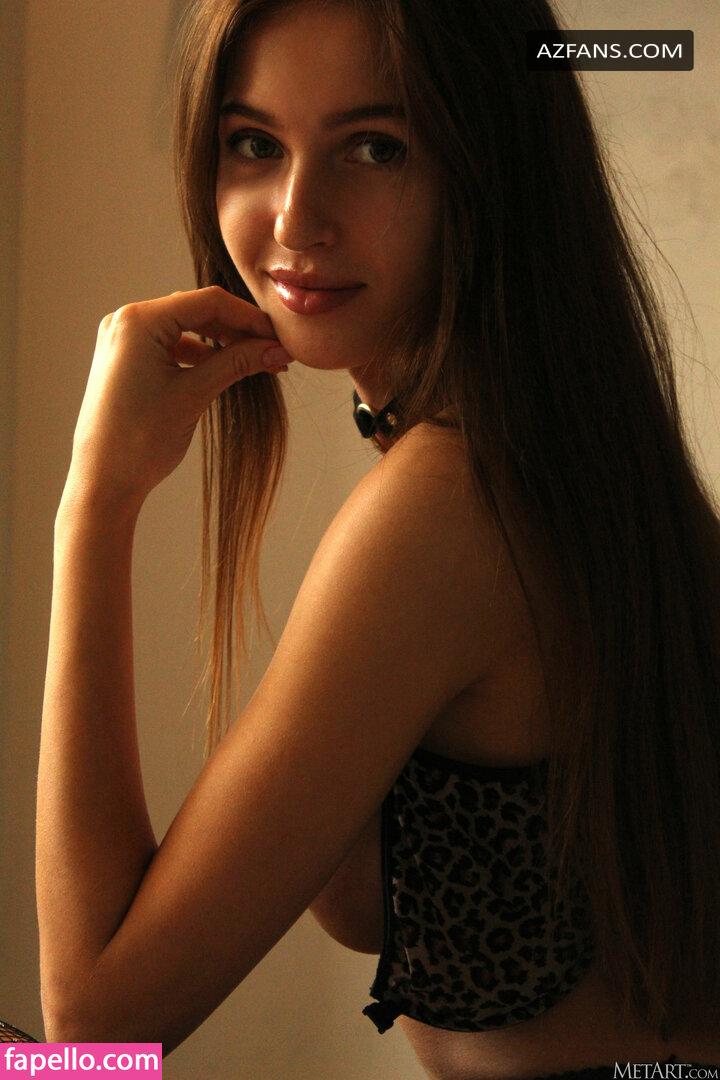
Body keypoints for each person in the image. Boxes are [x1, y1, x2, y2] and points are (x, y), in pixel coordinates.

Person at [35, 0, 720, 1077]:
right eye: (254, 143)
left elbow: (93, 1038)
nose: (295, 219)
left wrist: (95, 501)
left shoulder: (449, 509)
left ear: (487, 167)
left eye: (375, 148)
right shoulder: (559, 452)